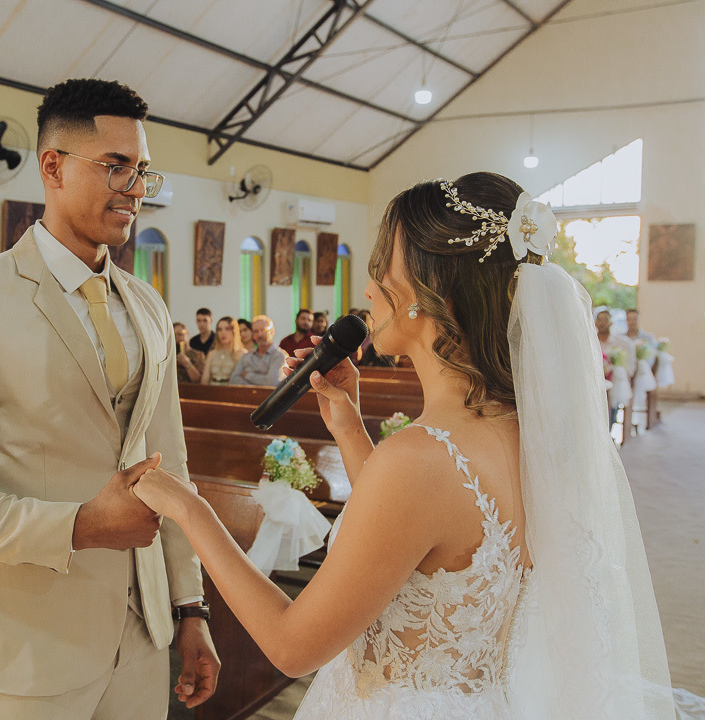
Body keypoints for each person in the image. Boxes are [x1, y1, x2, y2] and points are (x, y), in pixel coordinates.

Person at [131, 173, 675, 719]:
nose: (368, 290)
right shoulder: (524, 430)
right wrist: (349, 428)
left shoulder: (420, 459)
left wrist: (190, 508)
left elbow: (292, 647)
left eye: (380, 269)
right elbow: (417, 536)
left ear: (430, 287)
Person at [0, 78, 218, 720]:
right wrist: (77, 526)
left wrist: (190, 608)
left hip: (143, 635)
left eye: (142, 171)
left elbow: (169, 465)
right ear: (52, 166)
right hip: (29, 644)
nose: (135, 189)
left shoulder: (147, 305)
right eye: (115, 166)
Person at [596, 309, 636, 427]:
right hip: (597, 380)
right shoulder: (591, 341)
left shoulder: (623, 342)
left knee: (616, 388)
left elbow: (630, 367)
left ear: (611, 323)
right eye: (599, 320)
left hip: (615, 381)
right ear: (595, 323)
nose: (602, 323)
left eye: (605, 320)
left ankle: (609, 426)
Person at [229, 315, 287, 386]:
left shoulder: (280, 356)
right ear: (253, 335)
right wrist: (262, 378)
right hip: (246, 393)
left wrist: (247, 375)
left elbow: (271, 382)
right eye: (256, 331)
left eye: (263, 330)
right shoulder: (246, 356)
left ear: (272, 332)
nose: (260, 335)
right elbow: (233, 380)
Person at [200, 316, 247, 385]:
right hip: (212, 389)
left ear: (234, 331)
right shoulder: (212, 353)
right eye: (220, 329)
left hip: (231, 389)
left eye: (227, 329)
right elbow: (205, 379)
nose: (223, 333)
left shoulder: (242, 353)